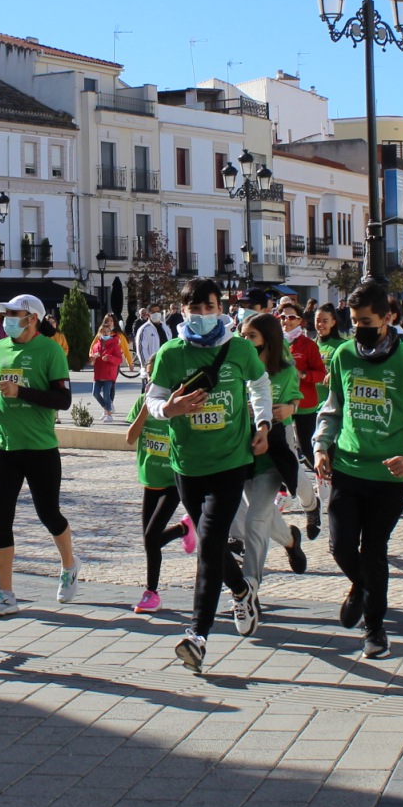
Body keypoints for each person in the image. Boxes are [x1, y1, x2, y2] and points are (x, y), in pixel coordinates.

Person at [313, 279, 403, 657]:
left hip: (389, 478)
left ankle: (375, 630)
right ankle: (361, 585)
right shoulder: (343, 355)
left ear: (388, 318)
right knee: (341, 547)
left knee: (374, 551)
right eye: (355, 322)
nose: (360, 330)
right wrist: (322, 445)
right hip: (348, 470)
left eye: (368, 322)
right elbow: (333, 408)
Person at [147, 277, 273, 672]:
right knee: (210, 541)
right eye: (194, 308)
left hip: (230, 463)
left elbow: (260, 384)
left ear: (221, 309)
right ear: (182, 311)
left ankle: (197, 635)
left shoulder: (238, 348)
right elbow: (152, 398)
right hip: (186, 465)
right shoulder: (171, 353)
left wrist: (263, 423)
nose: (202, 315)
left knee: (209, 543)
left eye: (209, 307)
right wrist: (169, 410)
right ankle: (241, 589)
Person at [0, 294, 80, 616]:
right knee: (0, 520)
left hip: (40, 448)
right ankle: (5, 594)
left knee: (49, 514)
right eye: (4, 313)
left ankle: (69, 564)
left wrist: (22, 393)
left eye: (12, 313)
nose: (6, 318)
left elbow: (63, 401)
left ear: (32, 317)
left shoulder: (50, 350)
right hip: (4, 448)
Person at [231, 311, 303, 602]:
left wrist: (290, 410)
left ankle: (249, 591)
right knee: (262, 514)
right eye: (243, 335)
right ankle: (289, 540)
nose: (246, 341)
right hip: (241, 454)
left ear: (268, 341)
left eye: (252, 336)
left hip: (272, 454)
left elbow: (298, 398)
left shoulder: (284, 372)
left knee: (254, 522)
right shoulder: (235, 370)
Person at [125, 396, 192, 614]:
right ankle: (184, 529)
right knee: (149, 540)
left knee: (151, 538)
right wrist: (145, 409)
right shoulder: (144, 402)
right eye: (149, 380)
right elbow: (130, 438)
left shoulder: (179, 404)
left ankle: (151, 593)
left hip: (173, 482)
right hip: (150, 482)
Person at [279, 300, 328, 538]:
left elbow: (321, 373)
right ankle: (285, 492)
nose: (286, 321)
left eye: (291, 317)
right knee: (285, 453)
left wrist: (304, 374)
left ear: (300, 321)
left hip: (306, 404)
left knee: (307, 450)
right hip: (282, 407)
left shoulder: (307, 345)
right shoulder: (275, 343)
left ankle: (325, 480)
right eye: (283, 317)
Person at [89, 312, 130, 420]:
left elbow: (120, 357)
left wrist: (110, 358)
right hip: (98, 374)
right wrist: (93, 358)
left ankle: (108, 413)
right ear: (99, 333)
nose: (106, 333)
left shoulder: (115, 341)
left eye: (107, 331)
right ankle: (107, 408)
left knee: (107, 393)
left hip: (109, 373)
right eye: (103, 332)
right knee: (95, 393)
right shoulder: (97, 344)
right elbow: (91, 356)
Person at [135, 306, 167, 372]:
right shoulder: (144, 329)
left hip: (165, 366)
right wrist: (148, 367)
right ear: (148, 314)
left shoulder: (165, 328)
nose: (156, 314)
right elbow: (141, 350)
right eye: (153, 312)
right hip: (151, 368)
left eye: (158, 311)